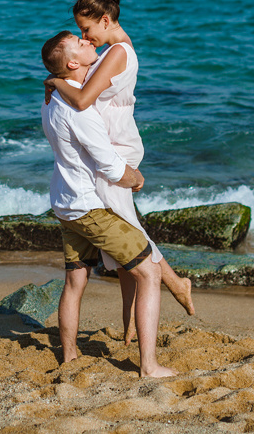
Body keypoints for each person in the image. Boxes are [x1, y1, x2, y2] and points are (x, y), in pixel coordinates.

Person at [45, 0, 194, 344]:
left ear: (106, 20)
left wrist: (54, 80)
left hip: (115, 149)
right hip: (109, 147)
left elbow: (81, 98)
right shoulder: (112, 52)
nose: (84, 37)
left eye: (86, 29)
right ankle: (130, 324)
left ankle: (175, 282)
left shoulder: (116, 53)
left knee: (129, 235)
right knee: (124, 242)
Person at [41, 31, 177, 378]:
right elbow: (111, 167)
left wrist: (55, 80)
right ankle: (148, 365)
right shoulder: (80, 111)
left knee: (75, 281)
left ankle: (70, 357)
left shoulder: (52, 98)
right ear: (73, 62)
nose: (90, 43)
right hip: (89, 208)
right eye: (81, 43)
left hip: (64, 202)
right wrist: (136, 177)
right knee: (148, 272)